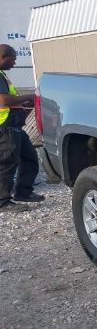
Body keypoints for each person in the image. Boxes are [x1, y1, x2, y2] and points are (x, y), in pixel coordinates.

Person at [0, 44, 43, 212]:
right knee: (7, 163)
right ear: (3, 57)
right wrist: (30, 96)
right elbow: (3, 101)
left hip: (14, 126)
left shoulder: (2, 74)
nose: (15, 63)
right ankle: (3, 202)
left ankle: (23, 192)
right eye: (13, 59)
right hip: (5, 128)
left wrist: (21, 102)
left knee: (30, 157)